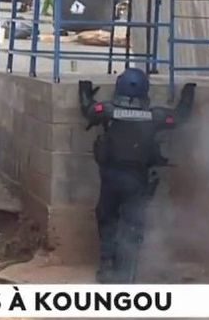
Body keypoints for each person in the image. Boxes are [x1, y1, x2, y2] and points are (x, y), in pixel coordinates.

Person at [79, 71, 196, 284]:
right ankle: (126, 276)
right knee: (133, 224)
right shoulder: (155, 116)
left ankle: (106, 267)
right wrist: (189, 93)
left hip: (110, 177)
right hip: (137, 179)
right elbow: (180, 117)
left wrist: (84, 88)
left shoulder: (107, 110)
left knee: (107, 219)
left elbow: (88, 109)